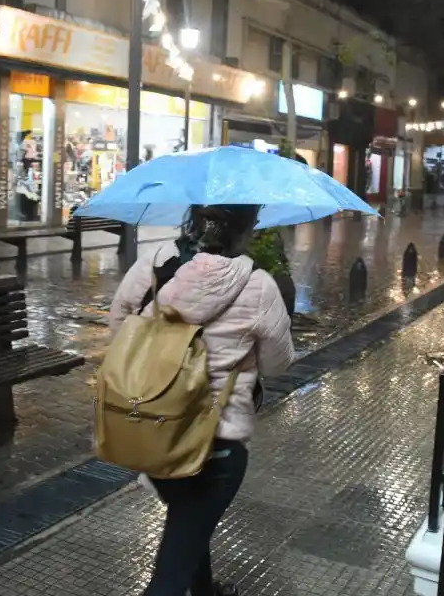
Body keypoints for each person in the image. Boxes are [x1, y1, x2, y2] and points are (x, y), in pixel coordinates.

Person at [108, 205, 295, 596]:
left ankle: (205, 590)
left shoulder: (154, 266)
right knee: (174, 563)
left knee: (188, 523)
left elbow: (118, 329)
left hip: (154, 431)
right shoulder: (258, 285)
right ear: (244, 230)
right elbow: (277, 365)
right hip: (215, 447)